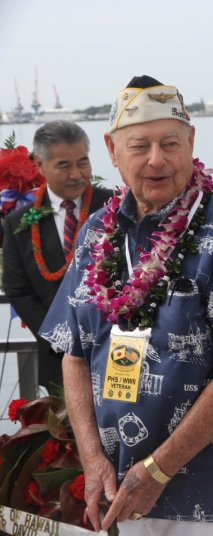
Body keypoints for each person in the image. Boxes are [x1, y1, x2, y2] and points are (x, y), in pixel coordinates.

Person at [39, 76, 213, 535]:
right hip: (123, 490)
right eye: (140, 146)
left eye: (170, 143)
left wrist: (155, 471)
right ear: (112, 152)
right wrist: (92, 459)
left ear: (191, 142)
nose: (157, 159)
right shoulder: (95, 234)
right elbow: (74, 351)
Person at [2, 120, 113, 392]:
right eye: (64, 165)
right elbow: (17, 289)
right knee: (65, 434)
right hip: (58, 359)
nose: (77, 174)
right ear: (40, 166)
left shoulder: (115, 206)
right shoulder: (19, 224)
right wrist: (59, 338)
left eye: (83, 162)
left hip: (116, 353)